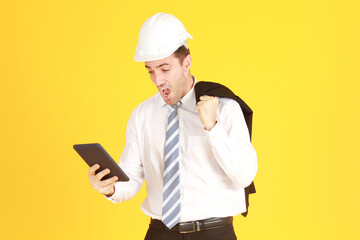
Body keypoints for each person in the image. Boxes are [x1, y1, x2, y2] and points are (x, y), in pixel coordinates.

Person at [88, 12, 258, 240]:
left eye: (165, 69)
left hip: (214, 233)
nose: (158, 80)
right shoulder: (142, 115)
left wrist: (213, 128)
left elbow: (244, 175)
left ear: (186, 63)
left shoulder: (225, 109)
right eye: (150, 70)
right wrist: (110, 188)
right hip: (160, 233)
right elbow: (131, 179)